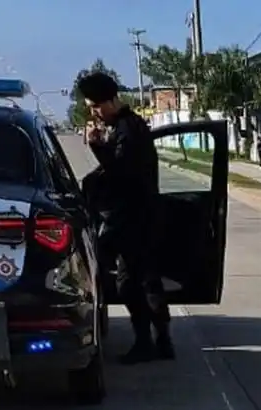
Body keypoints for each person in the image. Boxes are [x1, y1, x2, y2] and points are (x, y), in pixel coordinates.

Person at [77, 71, 175, 364]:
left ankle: (148, 342)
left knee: (131, 284)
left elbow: (121, 172)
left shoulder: (128, 129)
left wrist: (96, 145)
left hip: (135, 220)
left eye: (96, 106)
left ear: (111, 100)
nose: (95, 112)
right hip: (140, 217)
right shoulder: (127, 126)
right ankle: (162, 341)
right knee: (147, 281)